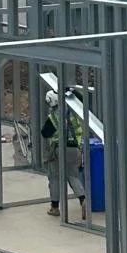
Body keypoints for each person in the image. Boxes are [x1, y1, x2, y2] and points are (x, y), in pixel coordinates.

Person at [42, 87, 86, 220]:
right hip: (75, 149)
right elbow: (82, 99)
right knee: (73, 176)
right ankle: (83, 200)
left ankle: (55, 207)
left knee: (54, 177)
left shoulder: (53, 117)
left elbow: (45, 133)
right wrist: (70, 90)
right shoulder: (72, 112)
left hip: (59, 151)